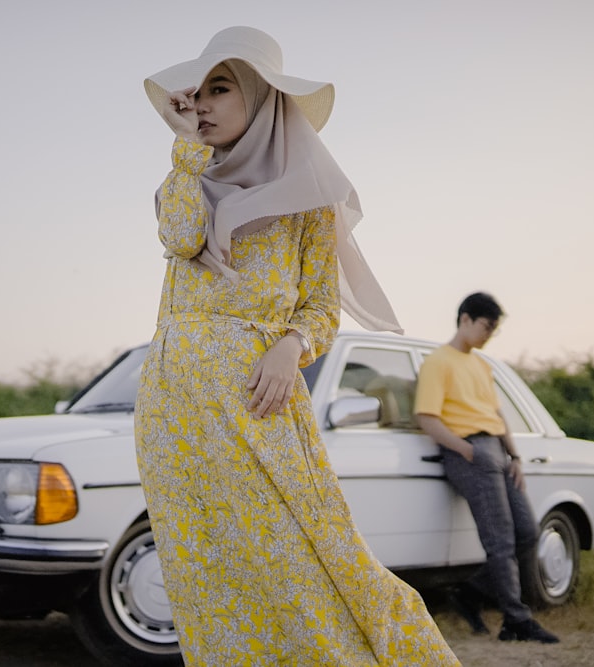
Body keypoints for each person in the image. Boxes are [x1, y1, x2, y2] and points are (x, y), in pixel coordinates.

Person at [135, 25, 460, 667]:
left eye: (219, 89)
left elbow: (320, 307)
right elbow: (178, 237)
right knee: (207, 573)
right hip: (173, 410)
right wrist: (185, 149)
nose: (200, 104)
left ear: (261, 97)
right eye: (195, 92)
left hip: (258, 404)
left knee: (307, 556)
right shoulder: (188, 180)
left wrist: (291, 347)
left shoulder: (309, 201)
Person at [414, 292, 560, 644]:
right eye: (486, 327)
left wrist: (515, 457)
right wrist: (466, 451)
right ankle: (516, 620)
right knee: (501, 540)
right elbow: (426, 417)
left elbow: (497, 415)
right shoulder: (438, 362)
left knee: (527, 532)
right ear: (465, 319)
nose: (488, 335)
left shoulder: (481, 365)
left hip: (497, 451)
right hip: (469, 451)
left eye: (493, 330)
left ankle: (471, 592)